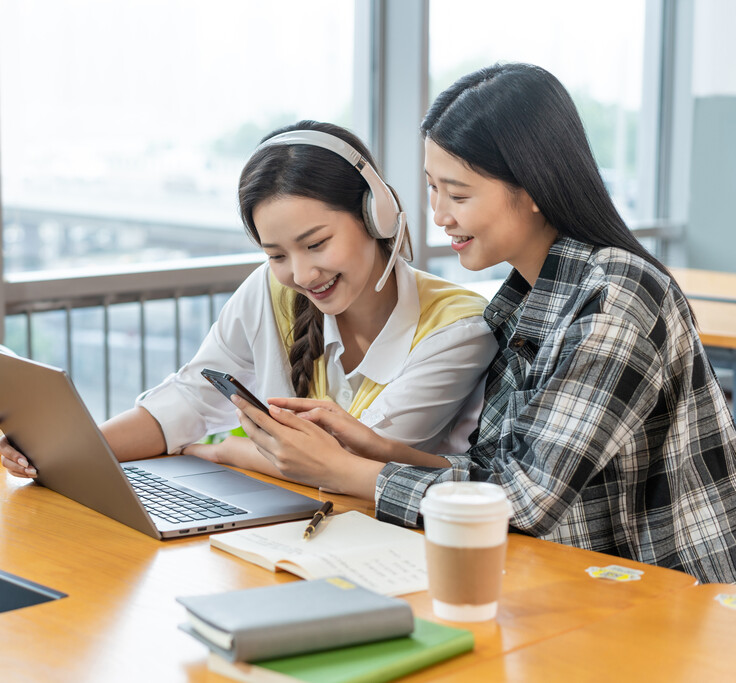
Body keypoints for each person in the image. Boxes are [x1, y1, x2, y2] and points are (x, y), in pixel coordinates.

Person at [234, 64, 736, 583]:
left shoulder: (614, 297)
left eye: (458, 193)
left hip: (677, 601)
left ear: (534, 186)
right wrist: (377, 448)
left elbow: (523, 500)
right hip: (576, 584)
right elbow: (494, 475)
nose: (439, 215)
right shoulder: (519, 303)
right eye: (432, 188)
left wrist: (344, 471)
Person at [0, 120, 497, 501]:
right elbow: (189, 400)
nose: (300, 275)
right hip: (290, 529)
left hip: (393, 551)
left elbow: (344, 463)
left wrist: (225, 451)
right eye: (277, 255)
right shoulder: (271, 292)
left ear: (376, 215)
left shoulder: (458, 328)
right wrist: (65, 451)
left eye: (316, 244)